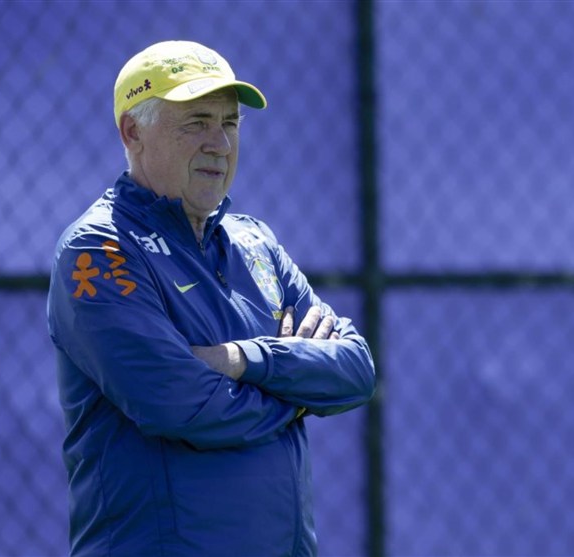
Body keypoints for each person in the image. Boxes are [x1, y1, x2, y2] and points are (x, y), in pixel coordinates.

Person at [46, 40, 376, 556]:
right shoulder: (100, 248)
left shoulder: (255, 240)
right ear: (132, 132)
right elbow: (180, 404)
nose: (220, 144)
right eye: (196, 122)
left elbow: (355, 369)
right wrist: (298, 394)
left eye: (230, 123)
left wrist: (245, 359)